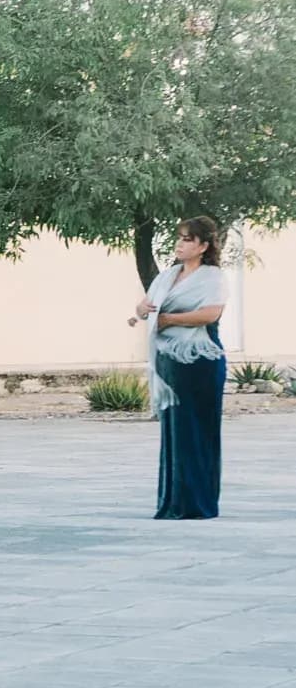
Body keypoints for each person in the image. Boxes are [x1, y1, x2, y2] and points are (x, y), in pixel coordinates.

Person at [135, 217, 228, 521]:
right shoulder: (168, 275)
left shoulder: (212, 277)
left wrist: (168, 320)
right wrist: (142, 311)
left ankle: (197, 504)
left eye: (188, 239)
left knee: (196, 429)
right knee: (174, 431)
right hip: (168, 361)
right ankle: (174, 501)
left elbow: (211, 313)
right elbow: (145, 305)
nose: (180, 244)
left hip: (198, 360)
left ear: (203, 246)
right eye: (179, 238)